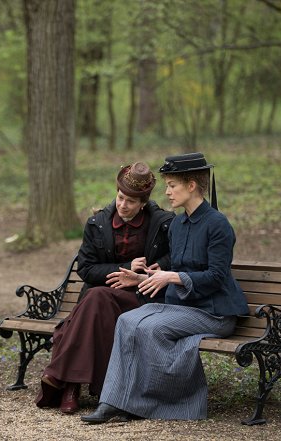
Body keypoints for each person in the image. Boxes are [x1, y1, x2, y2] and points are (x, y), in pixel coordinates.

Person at [80, 152, 249, 424]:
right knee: (126, 321)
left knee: (148, 327)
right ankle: (112, 402)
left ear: (191, 185)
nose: (167, 192)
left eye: (172, 185)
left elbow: (217, 277)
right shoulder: (178, 225)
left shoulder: (217, 225)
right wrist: (144, 279)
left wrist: (171, 277)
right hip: (183, 307)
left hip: (214, 313)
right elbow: (171, 271)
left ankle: (149, 403)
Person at [35, 162, 174, 414]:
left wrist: (144, 272)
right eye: (120, 198)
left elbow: (173, 259)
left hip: (140, 298)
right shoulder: (97, 222)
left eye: (131, 202)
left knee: (86, 308)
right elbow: (86, 269)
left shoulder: (162, 223)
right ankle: (72, 386)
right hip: (101, 299)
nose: (123, 205)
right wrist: (124, 265)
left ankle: (65, 382)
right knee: (96, 299)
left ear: (142, 203)